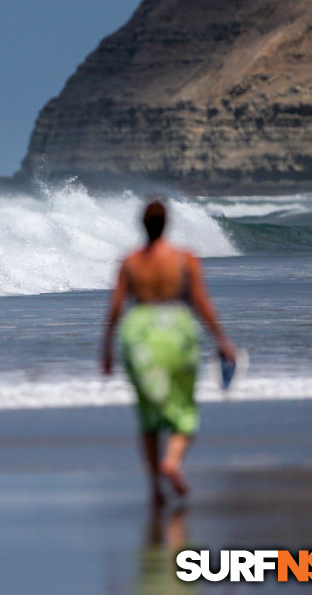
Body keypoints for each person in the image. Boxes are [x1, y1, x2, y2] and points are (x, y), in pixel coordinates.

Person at [101, 200, 236, 506]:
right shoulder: (184, 258)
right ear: (167, 224)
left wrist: (106, 349)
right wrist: (223, 340)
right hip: (176, 330)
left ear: (142, 224)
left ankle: (155, 488)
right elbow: (201, 302)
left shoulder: (130, 261)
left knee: (148, 412)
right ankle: (172, 461)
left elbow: (116, 307)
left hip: (139, 333)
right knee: (184, 407)